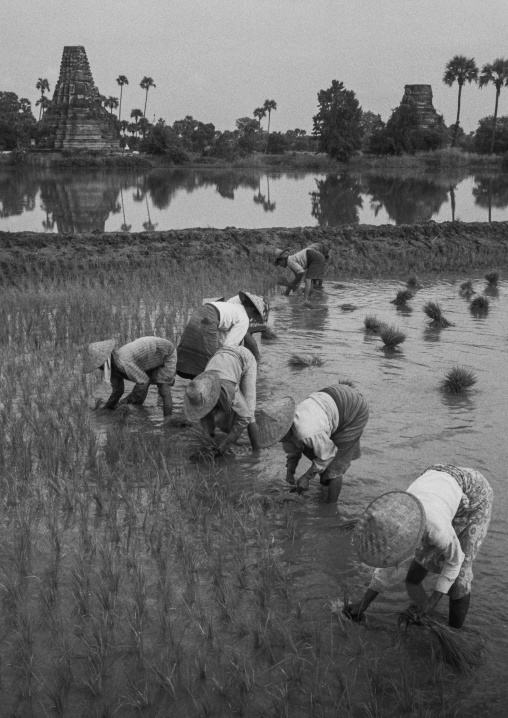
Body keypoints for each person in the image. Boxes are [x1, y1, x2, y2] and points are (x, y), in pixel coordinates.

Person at [345, 465, 493, 629]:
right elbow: (386, 566)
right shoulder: (392, 521)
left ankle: (454, 631)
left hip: (475, 492)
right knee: (426, 551)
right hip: (437, 479)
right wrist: (363, 604)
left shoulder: (435, 528)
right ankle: (415, 587)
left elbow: (455, 561)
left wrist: (432, 603)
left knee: (461, 574)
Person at [280, 383, 369, 503]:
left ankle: (330, 511)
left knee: (334, 468)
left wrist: (307, 477)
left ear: (287, 428)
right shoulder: (285, 432)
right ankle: (324, 491)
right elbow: (293, 453)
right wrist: (289, 475)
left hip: (353, 409)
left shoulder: (306, 431)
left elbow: (328, 455)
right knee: (313, 452)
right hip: (330, 402)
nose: (278, 440)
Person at [183, 345, 260, 452]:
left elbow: (245, 417)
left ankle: (256, 452)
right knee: (208, 412)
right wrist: (207, 442)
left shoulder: (227, 388)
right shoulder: (199, 387)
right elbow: (205, 417)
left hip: (244, 358)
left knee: (249, 411)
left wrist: (227, 441)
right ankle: (230, 439)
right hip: (221, 357)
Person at [176, 292, 268, 380]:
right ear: (252, 309)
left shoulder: (233, 306)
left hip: (199, 313)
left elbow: (221, 338)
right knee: (212, 366)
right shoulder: (244, 319)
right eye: (254, 315)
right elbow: (228, 347)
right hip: (209, 320)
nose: (251, 318)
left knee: (190, 354)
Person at [83, 337, 176, 417]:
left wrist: (125, 402)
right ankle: (140, 414)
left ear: (106, 361)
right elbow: (118, 391)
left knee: (164, 389)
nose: (100, 368)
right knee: (140, 390)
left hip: (166, 352)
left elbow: (143, 382)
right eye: (98, 366)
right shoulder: (112, 368)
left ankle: (167, 420)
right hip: (149, 357)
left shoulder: (124, 362)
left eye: (100, 365)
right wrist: (108, 408)